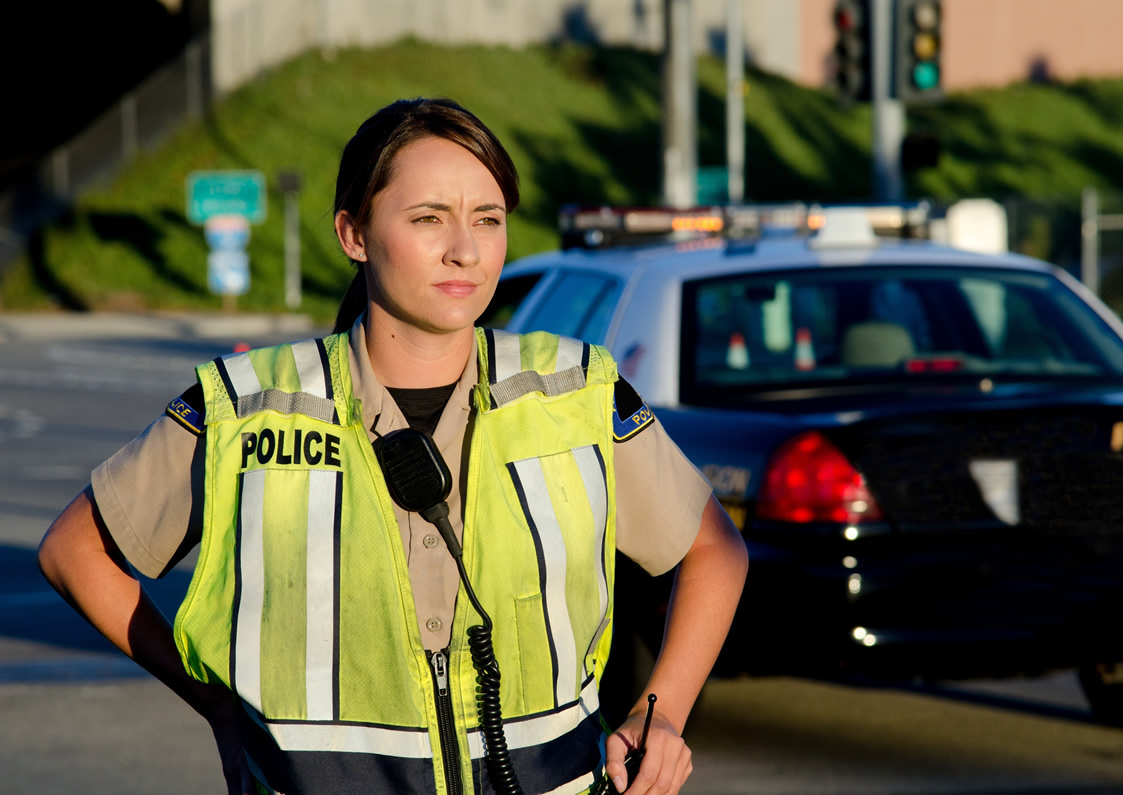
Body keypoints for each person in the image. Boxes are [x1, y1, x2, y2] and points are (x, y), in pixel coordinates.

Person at [38, 96, 748, 795]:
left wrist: (663, 715)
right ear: (354, 233)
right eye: (428, 218)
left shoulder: (576, 391)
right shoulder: (244, 408)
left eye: (488, 219)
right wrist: (217, 703)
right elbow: (74, 550)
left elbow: (713, 547)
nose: (466, 249)